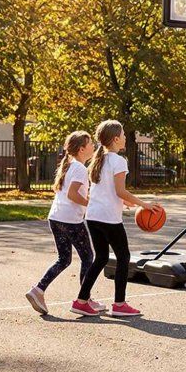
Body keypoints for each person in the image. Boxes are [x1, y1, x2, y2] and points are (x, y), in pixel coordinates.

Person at [73, 120, 162, 318]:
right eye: (122, 134)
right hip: (108, 218)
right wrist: (144, 204)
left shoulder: (99, 159)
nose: (124, 138)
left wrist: (126, 202)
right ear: (115, 139)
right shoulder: (119, 161)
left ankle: (81, 301)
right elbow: (120, 191)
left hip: (93, 216)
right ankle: (119, 304)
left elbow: (108, 191)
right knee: (123, 257)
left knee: (101, 258)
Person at [25, 131, 102, 315]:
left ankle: (38, 290)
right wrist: (92, 204)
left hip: (56, 218)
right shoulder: (80, 168)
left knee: (64, 259)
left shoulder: (70, 165)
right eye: (90, 143)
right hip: (70, 220)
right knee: (88, 258)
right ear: (82, 149)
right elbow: (73, 194)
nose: (93, 146)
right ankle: (84, 299)